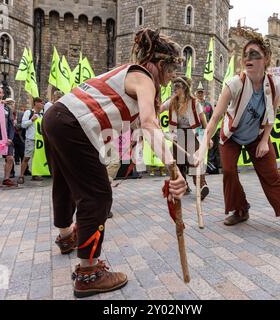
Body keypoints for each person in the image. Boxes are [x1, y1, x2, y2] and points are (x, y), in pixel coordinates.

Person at [42, 28, 187, 298]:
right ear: (158, 64)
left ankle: (66, 237)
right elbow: (149, 123)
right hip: (74, 124)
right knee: (97, 197)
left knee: (64, 183)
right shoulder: (144, 77)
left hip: (56, 117)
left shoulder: (129, 74)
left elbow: (142, 121)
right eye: (169, 72)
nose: (169, 79)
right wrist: (172, 167)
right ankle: (89, 273)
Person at [197, 34, 280, 240]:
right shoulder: (234, 84)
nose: (248, 59)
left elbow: (271, 115)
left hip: (257, 136)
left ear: (266, 59)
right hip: (232, 135)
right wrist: (202, 146)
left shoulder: (275, 85)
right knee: (228, 170)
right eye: (246, 55)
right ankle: (241, 209)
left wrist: (264, 141)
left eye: (254, 54)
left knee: (271, 174)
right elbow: (216, 116)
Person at [161, 76, 210, 200]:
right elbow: (159, 109)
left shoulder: (194, 102)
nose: (174, 88)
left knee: (195, 161)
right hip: (178, 134)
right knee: (179, 162)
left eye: (177, 86)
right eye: (174, 86)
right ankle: (184, 186)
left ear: (184, 88)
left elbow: (203, 118)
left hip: (193, 134)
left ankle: (201, 186)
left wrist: (208, 137)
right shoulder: (171, 101)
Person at [0, 86, 17, 190]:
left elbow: (11, 125)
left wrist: (10, 137)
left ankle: (6, 179)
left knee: (10, 158)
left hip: (6, 137)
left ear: (2, 95)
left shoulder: (7, 109)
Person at [17, 97, 44, 184]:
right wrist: (31, 120)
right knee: (27, 157)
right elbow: (23, 125)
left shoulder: (42, 114)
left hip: (40, 139)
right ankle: (21, 175)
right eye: (40, 103)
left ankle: (35, 174)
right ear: (35, 103)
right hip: (31, 138)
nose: (42, 104)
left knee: (37, 158)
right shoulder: (28, 112)